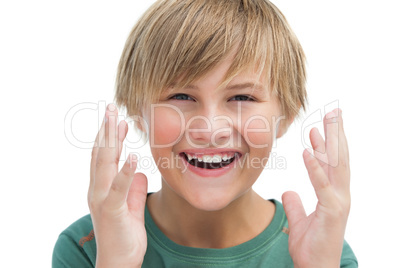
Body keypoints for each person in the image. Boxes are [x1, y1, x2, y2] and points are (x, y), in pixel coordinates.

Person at [52, 0, 358, 267]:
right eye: (181, 97)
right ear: (138, 114)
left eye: (242, 98)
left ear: (286, 116)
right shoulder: (89, 248)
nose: (210, 130)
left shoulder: (325, 250)